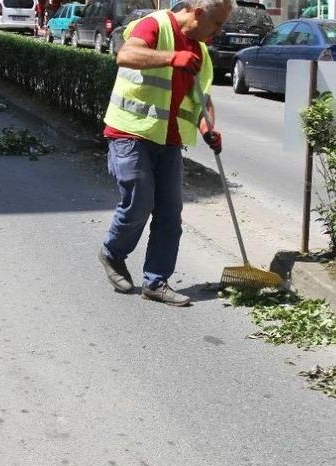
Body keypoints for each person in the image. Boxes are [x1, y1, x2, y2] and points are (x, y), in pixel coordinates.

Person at [97, 0, 232, 306]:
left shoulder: (201, 51)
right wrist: (172, 57)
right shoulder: (156, 25)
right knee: (140, 201)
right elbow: (126, 54)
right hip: (130, 132)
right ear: (198, 13)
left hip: (169, 139)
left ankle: (156, 281)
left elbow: (201, 98)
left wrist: (208, 128)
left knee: (170, 213)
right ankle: (112, 253)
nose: (219, 32)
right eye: (218, 24)